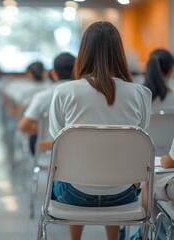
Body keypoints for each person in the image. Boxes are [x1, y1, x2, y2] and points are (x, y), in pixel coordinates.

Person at [48, 21, 152, 240]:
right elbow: (139, 139)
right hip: (123, 195)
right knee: (115, 166)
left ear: (83, 52)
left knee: (66, 171)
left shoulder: (64, 91)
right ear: (119, 53)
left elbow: (58, 140)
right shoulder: (141, 93)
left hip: (73, 194)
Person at [18, 53, 76, 154]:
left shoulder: (42, 96)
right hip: (78, 154)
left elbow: (23, 126)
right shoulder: (87, 95)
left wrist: (44, 132)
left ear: (53, 74)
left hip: (46, 155)